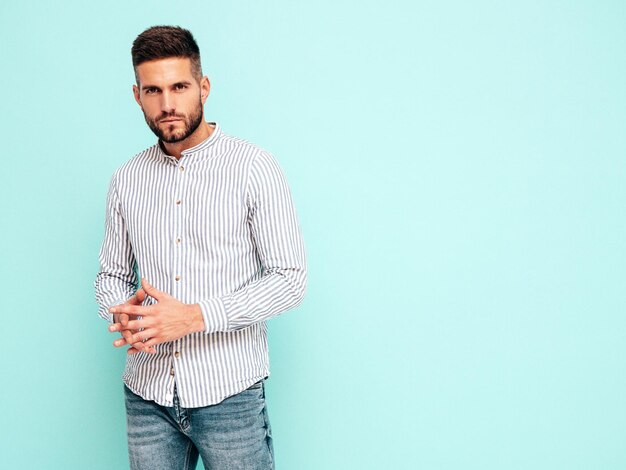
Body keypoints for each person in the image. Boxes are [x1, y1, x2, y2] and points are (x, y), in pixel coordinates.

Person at [94, 25, 306, 470]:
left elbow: (290, 279)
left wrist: (193, 317)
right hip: (146, 395)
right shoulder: (126, 179)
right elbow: (111, 275)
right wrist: (121, 313)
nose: (167, 104)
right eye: (153, 90)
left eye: (179, 87)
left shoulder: (254, 167)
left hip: (228, 393)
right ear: (137, 95)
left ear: (203, 87)